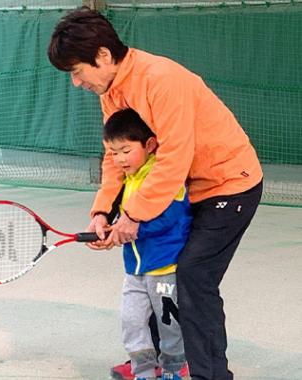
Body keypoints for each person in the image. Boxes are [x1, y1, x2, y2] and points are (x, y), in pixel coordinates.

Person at [48, 6, 263, 380]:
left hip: (229, 183)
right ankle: (158, 364)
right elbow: (116, 155)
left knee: (192, 275)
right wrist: (103, 212)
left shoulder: (160, 79)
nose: (77, 83)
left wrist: (134, 215)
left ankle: (209, 374)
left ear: (102, 56)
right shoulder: (112, 90)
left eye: (77, 72)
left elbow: (175, 157)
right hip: (182, 190)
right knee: (154, 268)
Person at [102, 108, 192, 380]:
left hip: (164, 269)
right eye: (113, 152)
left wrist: (134, 229)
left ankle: (174, 370)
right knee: (131, 321)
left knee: (169, 324)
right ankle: (143, 371)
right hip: (134, 271)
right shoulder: (129, 180)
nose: (119, 159)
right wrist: (111, 227)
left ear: (149, 145)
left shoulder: (164, 177)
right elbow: (126, 219)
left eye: (125, 151)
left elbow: (171, 218)